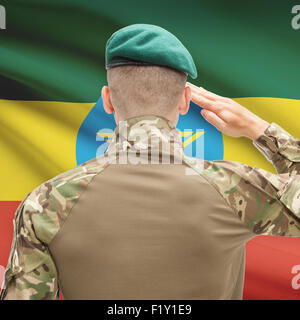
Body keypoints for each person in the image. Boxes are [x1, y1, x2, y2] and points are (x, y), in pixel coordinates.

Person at [1, 23, 300, 300]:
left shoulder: (45, 203)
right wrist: (259, 130)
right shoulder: (235, 188)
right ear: (185, 100)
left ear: (107, 99)